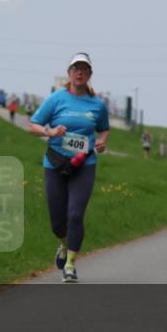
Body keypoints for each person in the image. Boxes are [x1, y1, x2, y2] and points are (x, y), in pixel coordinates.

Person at [28, 52, 110, 283]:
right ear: (69, 73)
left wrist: (102, 141)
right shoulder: (56, 99)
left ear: (90, 74)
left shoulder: (98, 105)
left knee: (75, 214)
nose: (79, 73)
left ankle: (71, 265)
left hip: (84, 164)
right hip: (55, 163)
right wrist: (50, 131)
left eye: (84, 69)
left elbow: (104, 128)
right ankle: (63, 243)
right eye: (76, 69)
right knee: (57, 222)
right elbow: (33, 125)